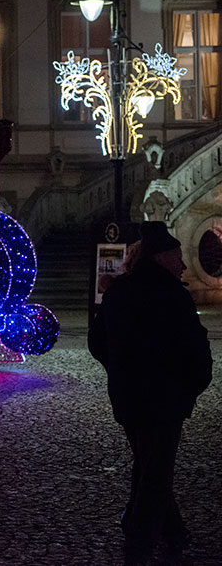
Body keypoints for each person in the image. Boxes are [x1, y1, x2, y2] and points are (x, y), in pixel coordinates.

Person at [88, 221, 213, 565]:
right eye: (177, 257)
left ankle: (172, 531)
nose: (183, 265)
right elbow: (194, 346)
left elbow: (97, 343)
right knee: (156, 473)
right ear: (160, 258)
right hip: (164, 400)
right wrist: (194, 384)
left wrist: (120, 371)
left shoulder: (118, 292)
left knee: (148, 464)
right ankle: (138, 540)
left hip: (129, 398)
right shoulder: (173, 295)